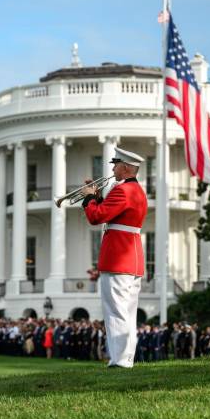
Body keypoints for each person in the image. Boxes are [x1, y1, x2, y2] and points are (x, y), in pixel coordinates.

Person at [81, 147, 148, 369]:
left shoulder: (122, 191)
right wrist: (98, 197)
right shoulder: (137, 191)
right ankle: (126, 357)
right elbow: (111, 211)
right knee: (128, 313)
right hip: (133, 259)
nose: (113, 168)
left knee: (116, 311)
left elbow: (96, 216)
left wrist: (89, 198)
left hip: (118, 258)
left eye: (116, 164)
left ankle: (119, 360)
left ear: (126, 168)